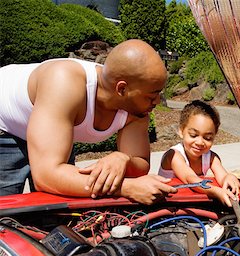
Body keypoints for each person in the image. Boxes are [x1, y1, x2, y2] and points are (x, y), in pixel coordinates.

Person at [0, 39, 177, 204]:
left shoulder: (137, 108)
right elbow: (46, 177)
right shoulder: (64, 83)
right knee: (6, 214)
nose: (157, 102)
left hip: (47, 130)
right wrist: (126, 188)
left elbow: (140, 163)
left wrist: (123, 159)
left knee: (56, 214)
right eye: (152, 95)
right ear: (122, 88)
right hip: (4, 126)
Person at [158, 100, 240, 207]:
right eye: (193, 135)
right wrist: (216, 191)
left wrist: (229, 178)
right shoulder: (174, 155)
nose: (200, 142)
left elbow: (223, 176)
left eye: (208, 138)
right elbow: (190, 179)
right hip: (166, 205)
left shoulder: (211, 157)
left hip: (190, 203)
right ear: (181, 131)